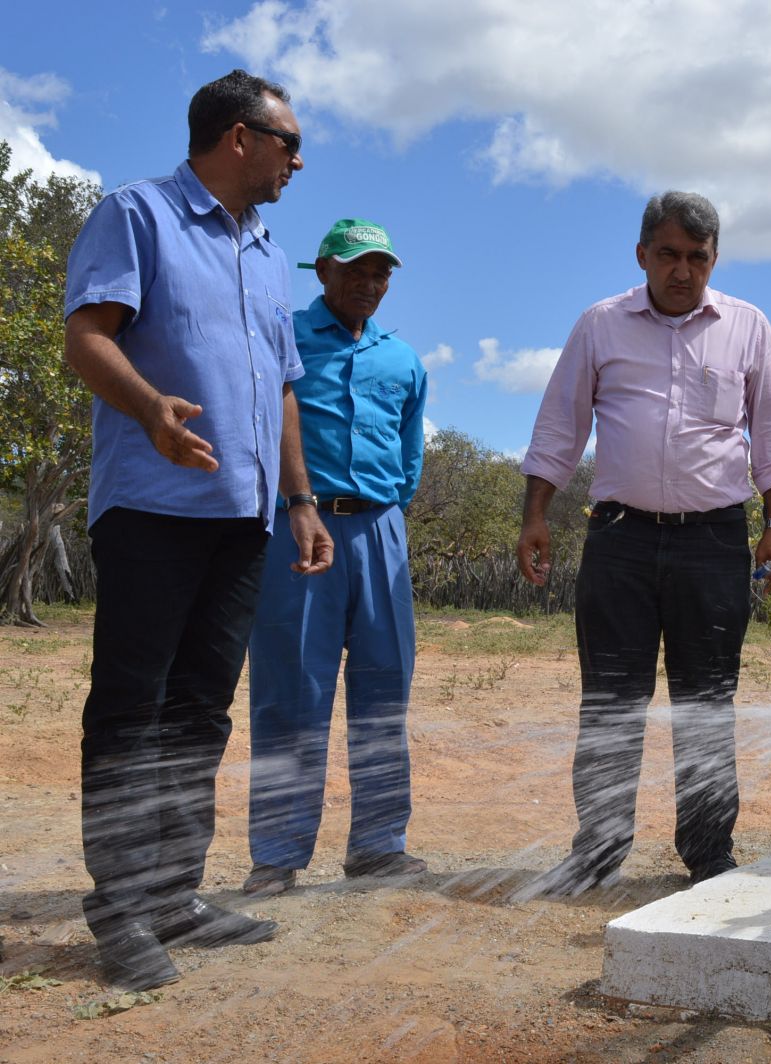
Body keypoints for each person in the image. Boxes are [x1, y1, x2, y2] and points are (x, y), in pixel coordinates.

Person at [62, 69, 332, 991]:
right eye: (289, 143)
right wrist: (150, 408)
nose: (298, 161)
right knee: (131, 709)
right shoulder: (137, 215)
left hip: (242, 520)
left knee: (200, 712)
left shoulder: (268, 252)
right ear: (239, 137)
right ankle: (120, 911)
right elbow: (88, 337)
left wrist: (299, 501)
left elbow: (283, 387)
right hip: (152, 509)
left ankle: (175, 895)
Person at [515, 191, 771, 893]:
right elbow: (559, 425)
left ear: (714, 259)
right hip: (620, 541)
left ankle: (709, 855)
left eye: (697, 258)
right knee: (611, 701)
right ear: (641, 254)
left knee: (707, 703)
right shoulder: (600, 324)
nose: (682, 271)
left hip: (713, 542)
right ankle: (598, 852)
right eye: (668, 255)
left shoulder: (748, 326)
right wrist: (534, 516)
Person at [242, 219, 428, 897]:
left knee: (385, 690)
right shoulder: (284, 336)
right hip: (297, 527)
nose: (368, 284)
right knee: (292, 689)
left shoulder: (403, 360)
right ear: (321, 270)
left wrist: (384, 517)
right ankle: (277, 855)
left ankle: (378, 847)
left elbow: (409, 457)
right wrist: (297, 502)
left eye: (380, 273)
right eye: (355, 270)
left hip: (380, 530)